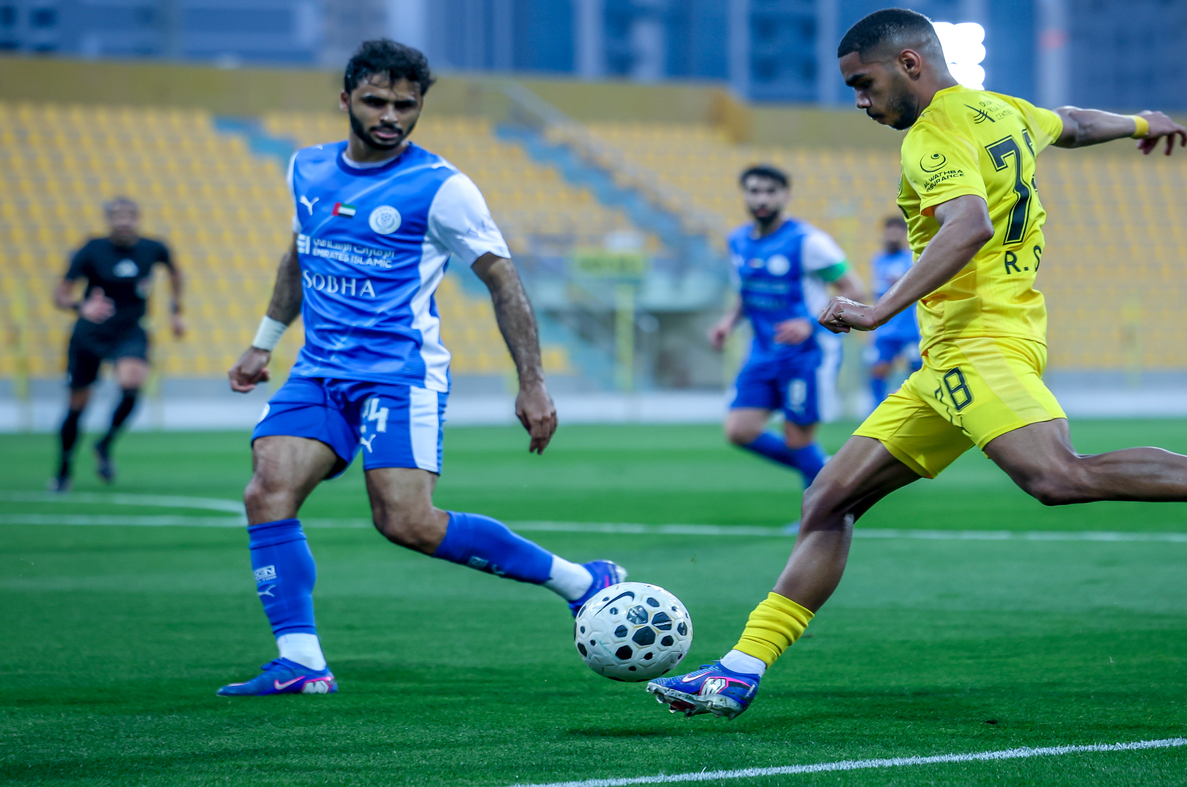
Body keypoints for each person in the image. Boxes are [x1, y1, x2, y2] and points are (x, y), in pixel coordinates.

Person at [649, 7, 1187, 719]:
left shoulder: (930, 137)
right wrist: (1138, 122)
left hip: (979, 342)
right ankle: (739, 673)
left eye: (864, 85)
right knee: (828, 502)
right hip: (953, 358)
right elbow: (1070, 122)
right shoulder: (1002, 109)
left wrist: (878, 309)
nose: (862, 103)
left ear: (910, 64)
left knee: (1057, 477)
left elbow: (965, 226)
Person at [220, 40, 624, 697]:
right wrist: (264, 342)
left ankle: (582, 581)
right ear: (345, 99)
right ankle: (301, 662)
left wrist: (533, 381)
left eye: (405, 106)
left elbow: (503, 279)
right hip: (318, 371)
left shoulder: (442, 188)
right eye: (376, 101)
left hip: (398, 374)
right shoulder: (307, 169)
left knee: (406, 522)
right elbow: (299, 255)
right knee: (266, 493)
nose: (391, 116)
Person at [709, 165, 866, 490]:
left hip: (806, 355)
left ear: (786, 195)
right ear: (744, 195)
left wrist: (809, 322)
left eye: (770, 191)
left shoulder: (809, 241)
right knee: (739, 430)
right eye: (754, 191)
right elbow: (747, 292)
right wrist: (728, 321)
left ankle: (821, 515)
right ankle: (827, 472)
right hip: (762, 352)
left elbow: (854, 290)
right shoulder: (737, 240)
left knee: (798, 437)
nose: (761, 198)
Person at [51, 197, 184, 491]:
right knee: (77, 405)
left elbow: (175, 272)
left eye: (129, 216)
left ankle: (104, 444)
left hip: (130, 330)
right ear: (109, 219)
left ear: (138, 218)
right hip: (90, 332)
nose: (124, 221)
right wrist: (79, 306)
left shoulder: (153, 248)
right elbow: (60, 293)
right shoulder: (91, 249)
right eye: (117, 216)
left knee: (133, 381)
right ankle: (63, 467)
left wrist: (175, 311)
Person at [867, 216, 921, 409]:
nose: (893, 235)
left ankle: (916, 409)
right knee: (878, 370)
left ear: (905, 235)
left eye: (898, 231)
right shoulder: (877, 260)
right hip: (885, 330)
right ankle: (876, 411)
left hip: (910, 330)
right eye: (890, 230)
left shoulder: (912, 258)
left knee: (917, 371)